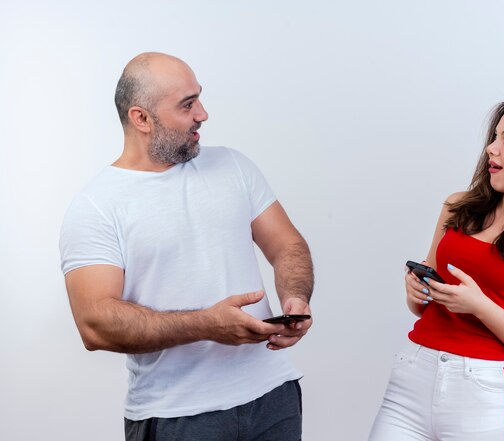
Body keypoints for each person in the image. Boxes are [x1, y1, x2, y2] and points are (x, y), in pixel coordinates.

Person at [59, 52, 314, 441]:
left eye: (198, 98)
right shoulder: (96, 206)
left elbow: (287, 245)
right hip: (178, 416)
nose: (203, 114)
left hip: (273, 396)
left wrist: (295, 298)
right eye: (187, 104)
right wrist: (205, 325)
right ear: (141, 118)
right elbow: (95, 324)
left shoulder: (233, 166)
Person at [368, 99, 504, 441]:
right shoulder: (458, 206)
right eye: (495, 137)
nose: (491, 149)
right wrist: (415, 292)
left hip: (478, 393)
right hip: (410, 378)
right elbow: (425, 306)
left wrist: (479, 305)